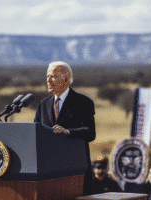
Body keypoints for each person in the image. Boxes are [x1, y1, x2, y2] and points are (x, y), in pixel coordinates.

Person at [34, 61, 96, 195]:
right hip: (47, 173)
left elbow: (90, 133)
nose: (48, 80)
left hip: (75, 172)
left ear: (66, 79)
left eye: (53, 76)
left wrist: (67, 132)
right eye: (47, 76)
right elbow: (35, 133)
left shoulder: (83, 102)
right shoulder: (43, 104)